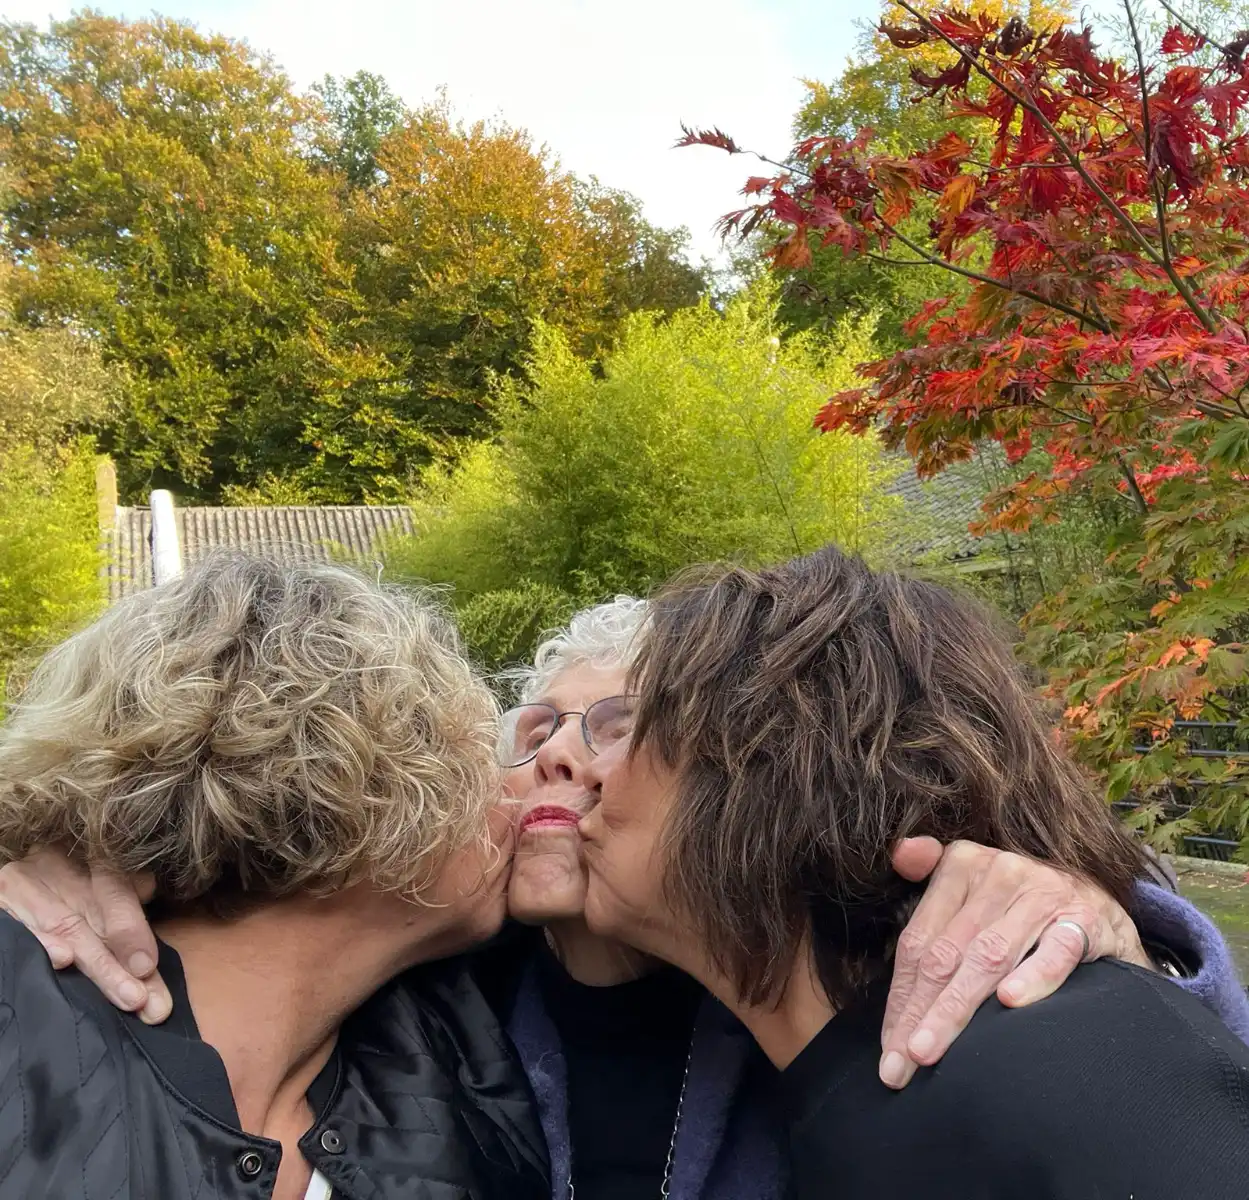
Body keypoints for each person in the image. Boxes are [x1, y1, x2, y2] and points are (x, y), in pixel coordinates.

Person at [5, 595, 1248, 1199]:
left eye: (618, 726)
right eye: (533, 728)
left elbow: (1149, 1099)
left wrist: (1086, 913)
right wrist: (44, 841)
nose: (563, 762)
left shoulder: (840, 1008)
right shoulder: (436, 1005)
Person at [576, 547, 1249, 1199]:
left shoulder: (1067, 1069)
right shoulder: (842, 1080)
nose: (593, 773)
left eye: (636, 727)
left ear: (772, 762)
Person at [0, 553, 548, 1200]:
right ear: (366, 787)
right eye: (484, 754)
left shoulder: (460, 1037)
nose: (515, 792)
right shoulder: (21, 1031)